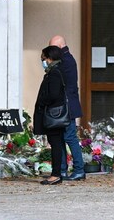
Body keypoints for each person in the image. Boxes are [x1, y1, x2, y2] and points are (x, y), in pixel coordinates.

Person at [49, 35, 85, 181]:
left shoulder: (65, 61)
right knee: (62, 138)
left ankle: (79, 169)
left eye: (52, 48)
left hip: (67, 107)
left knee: (70, 137)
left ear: (59, 47)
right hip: (66, 105)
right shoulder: (66, 60)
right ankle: (62, 169)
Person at [34, 46, 68, 185]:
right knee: (56, 143)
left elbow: (53, 94)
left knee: (55, 144)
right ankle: (57, 173)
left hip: (53, 115)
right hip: (54, 114)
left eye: (43, 58)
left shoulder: (54, 73)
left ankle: (56, 175)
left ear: (50, 58)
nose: (42, 60)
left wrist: (42, 101)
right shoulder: (55, 71)